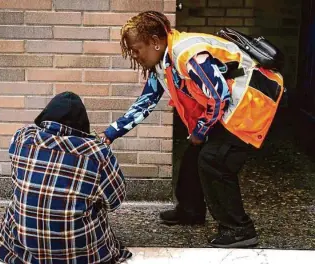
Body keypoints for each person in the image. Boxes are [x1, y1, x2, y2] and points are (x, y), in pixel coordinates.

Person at [100, 11, 284, 248]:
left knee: (215, 160)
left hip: (252, 99)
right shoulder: (161, 65)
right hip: (233, 103)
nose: (134, 56)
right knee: (193, 156)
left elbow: (218, 96)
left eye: (136, 49)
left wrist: (200, 131)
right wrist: (110, 134)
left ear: (155, 42)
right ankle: (190, 210)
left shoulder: (187, 55)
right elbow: (144, 104)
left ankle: (240, 230)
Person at [0, 92, 132, 264]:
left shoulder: (22, 138)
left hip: (24, 249)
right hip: (81, 255)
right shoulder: (97, 153)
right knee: (96, 201)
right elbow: (114, 201)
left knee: (18, 197)